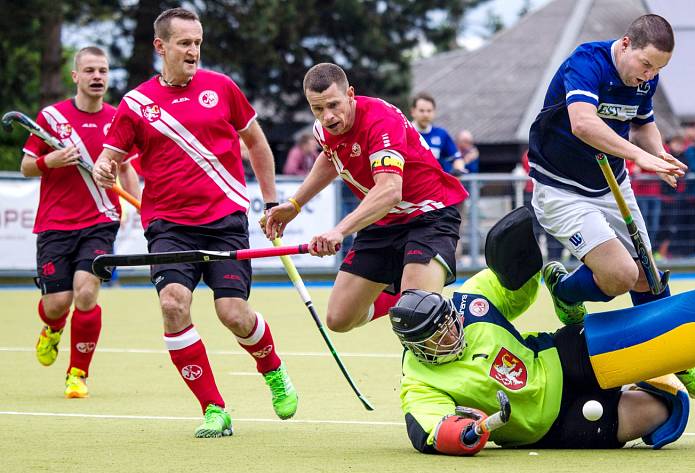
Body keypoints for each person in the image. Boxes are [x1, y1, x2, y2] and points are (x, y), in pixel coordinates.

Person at [389, 209, 695, 455]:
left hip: (558, 358)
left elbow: (516, 290)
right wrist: (464, 434)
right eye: (438, 337)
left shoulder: (465, 304)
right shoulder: (419, 382)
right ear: (416, 348)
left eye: (449, 323)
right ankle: (658, 375)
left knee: (627, 336)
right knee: (655, 412)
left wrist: (513, 265)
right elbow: (430, 428)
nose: (452, 333)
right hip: (552, 427)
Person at [92, 8, 297, 438]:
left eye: (198, 43)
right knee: (172, 305)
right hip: (168, 224)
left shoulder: (222, 88)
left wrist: (273, 200)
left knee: (233, 313)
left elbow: (256, 144)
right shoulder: (136, 104)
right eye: (185, 43)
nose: (193, 51)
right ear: (160, 46)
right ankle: (214, 409)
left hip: (224, 219)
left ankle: (273, 370)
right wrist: (103, 168)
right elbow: (109, 157)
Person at [525, 14, 695, 403]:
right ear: (626, 44)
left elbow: (643, 124)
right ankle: (565, 290)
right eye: (646, 65)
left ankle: (677, 360)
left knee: (647, 276)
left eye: (658, 69)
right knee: (619, 276)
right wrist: (639, 158)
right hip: (560, 189)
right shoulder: (586, 62)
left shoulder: (646, 78)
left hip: (610, 182)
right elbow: (583, 124)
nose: (648, 76)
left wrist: (660, 155)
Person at [264, 63, 468, 334]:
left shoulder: (381, 119)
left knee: (418, 317)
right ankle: (406, 292)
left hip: (427, 215)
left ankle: (423, 302)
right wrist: (295, 204)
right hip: (384, 221)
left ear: (350, 94)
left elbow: (390, 190)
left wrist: (340, 230)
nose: (327, 117)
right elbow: (330, 158)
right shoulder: (323, 130)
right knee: (339, 319)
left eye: (334, 105)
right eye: (318, 109)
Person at [19, 46, 139, 399]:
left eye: (103, 70)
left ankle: (77, 374)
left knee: (86, 293)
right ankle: (52, 328)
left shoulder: (119, 118)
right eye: (89, 70)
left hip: (101, 220)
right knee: (58, 303)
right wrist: (51, 161)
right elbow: (26, 167)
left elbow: (128, 169)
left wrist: (135, 208)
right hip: (55, 223)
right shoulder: (51, 119)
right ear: (76, 76)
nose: (98, 76)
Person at [409, 93, 466, 174]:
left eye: (429, 111)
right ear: (413, 112)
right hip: (410, 184)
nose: (426, 115)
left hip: (434, 184)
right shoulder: (404, 132)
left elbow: (457, 158)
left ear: (434, 112)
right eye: (421, 111)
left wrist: (459, 169)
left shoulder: (441, 134)